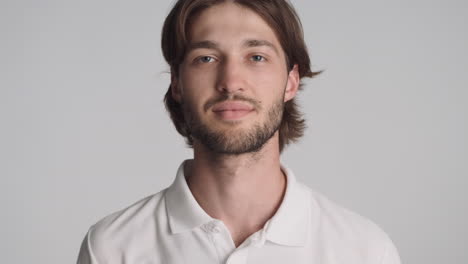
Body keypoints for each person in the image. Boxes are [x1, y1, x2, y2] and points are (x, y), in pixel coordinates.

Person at [77, 0, 401, 263]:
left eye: (256, 57)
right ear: (177, 83)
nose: (231, 81)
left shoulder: (365, 252)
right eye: (206, 58)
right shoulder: (111, 249)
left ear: (291, 81)